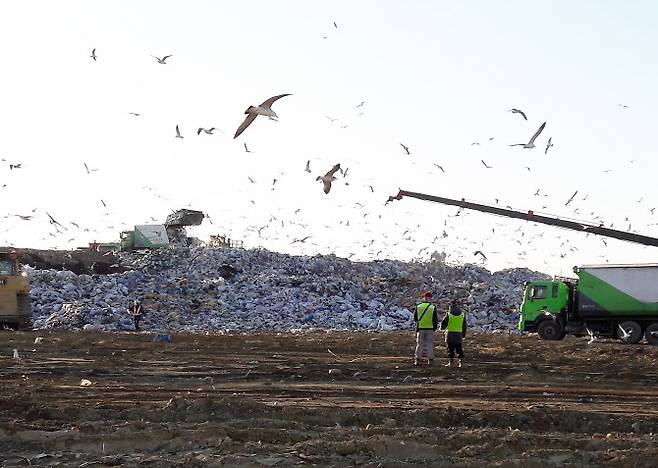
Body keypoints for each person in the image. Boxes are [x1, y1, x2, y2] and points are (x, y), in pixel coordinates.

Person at [413, 291, 438, 366]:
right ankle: (430, 360)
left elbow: (415, 318)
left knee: (420, 344)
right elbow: (435, 319)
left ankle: (417, 360)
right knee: (430, 344)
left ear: (424, 298)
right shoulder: (433, 307)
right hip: (430, 328)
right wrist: (435, 328)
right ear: (430, 298)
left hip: (420, 328)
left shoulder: (418, 306)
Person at [440, 299, 467, 367]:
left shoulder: (449, 314)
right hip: (458, 334)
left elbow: (444, 322)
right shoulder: (462, 314)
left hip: (450, 334)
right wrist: (463, 334)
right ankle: (461, 362)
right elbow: (464, 325)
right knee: (459, 348)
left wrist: (442, 328)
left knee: (450, 349)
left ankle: (451, 362)